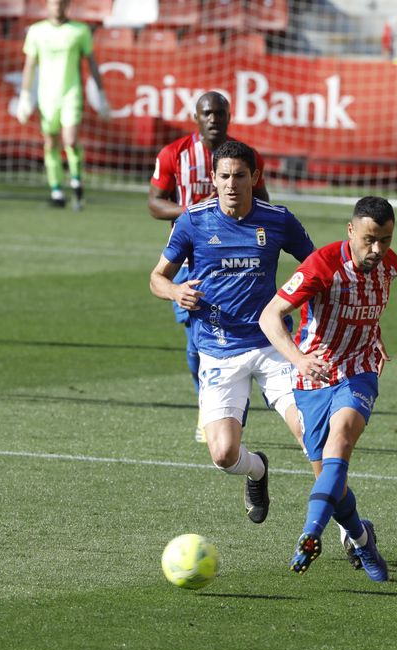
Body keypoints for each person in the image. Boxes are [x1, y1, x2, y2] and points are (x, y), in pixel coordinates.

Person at [149, 140, 314, 525]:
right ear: (213, 178)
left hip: (274, 346)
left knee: (313, 437)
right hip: (219, 349)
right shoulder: (193, 220)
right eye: (224, 176)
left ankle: (348, 531)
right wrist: (175, 291)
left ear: (255, 178)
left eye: (240, 176)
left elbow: (314, 269)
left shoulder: (278, 219)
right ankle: (257, 470)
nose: (231, 183)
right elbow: (157, 278)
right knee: (223, 455)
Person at [260, 196, 397, 583]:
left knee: (342, 438)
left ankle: (311, 533)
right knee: (330, 480)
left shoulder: (391, 265)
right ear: (351, 230)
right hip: (314, 374)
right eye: (370, 239)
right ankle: (361, 538)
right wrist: (299, 359)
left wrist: (372, 340)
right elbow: (270, 316)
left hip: (360, 368)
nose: (377, 250)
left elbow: (368, 308)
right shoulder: (321, 265)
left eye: (386, 240)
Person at [148, 92, 271, 442]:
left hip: (234, 262)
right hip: (188, 261)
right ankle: (209, 402)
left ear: (229, 116)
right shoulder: (174, 154)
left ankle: (228, 409)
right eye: (207, 113)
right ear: (197, 117)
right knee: (193, 345)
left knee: (232, 333)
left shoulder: (244, 158)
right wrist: (191, 212)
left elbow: (263, 202)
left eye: (219, 112)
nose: (213, 118)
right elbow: (155, 204)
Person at [16, 0, 109, 209]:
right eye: (53, 3)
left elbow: (91, 62)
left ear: (67, 5)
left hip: (71, 93)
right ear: (47, 6)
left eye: (60, 3)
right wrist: (24, 95)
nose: (56, 7)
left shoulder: (79, 31)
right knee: (50, 143)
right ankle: (56, 190)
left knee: (70, 140)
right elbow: (30, 65)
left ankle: (76, 181)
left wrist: (101, 94)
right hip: (46, 96)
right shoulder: (37, 31)